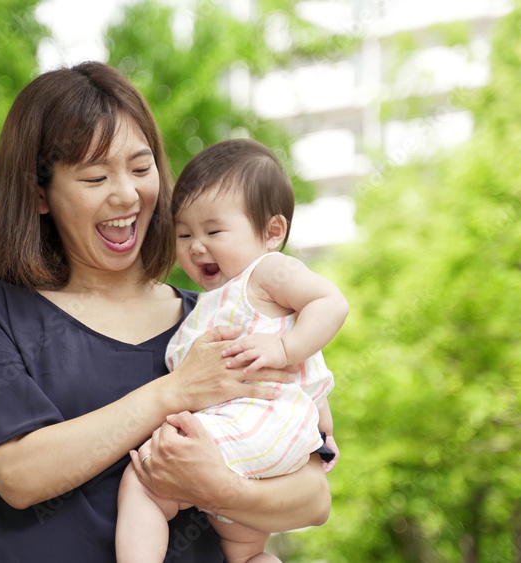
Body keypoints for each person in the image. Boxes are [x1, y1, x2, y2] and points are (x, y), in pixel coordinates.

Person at [0, 62, 331, 562]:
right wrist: (175, 391)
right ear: (40, 194)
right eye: (96, 176)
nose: (126, 194)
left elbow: (314, 496)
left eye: (141, 169)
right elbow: (18, 475)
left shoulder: (215, 322)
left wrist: (223, 491)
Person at [116, 139, 348, 563]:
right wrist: (322, 428)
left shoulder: (266, 272)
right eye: (184, 233)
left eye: (214, 231)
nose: (196, 246)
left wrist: (282, 347)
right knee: (243, 550)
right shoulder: (212, 302)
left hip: (252, 426)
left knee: (145, 479)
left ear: (272, 232)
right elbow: (311, 378)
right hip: (263, 439)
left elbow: (331, 302)